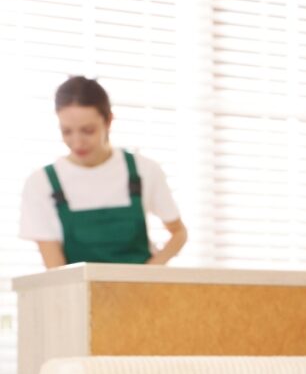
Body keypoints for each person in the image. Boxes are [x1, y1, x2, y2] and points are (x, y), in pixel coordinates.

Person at [19, 76, 187, 268]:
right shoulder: (41, 183)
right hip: (78, 296)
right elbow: (55, 269)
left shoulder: (144, 170)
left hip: (143, 294)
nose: (77, 142)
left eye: (88, 130)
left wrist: (148, 273)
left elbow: (179, 233)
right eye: (67, 131)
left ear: (108, 120)